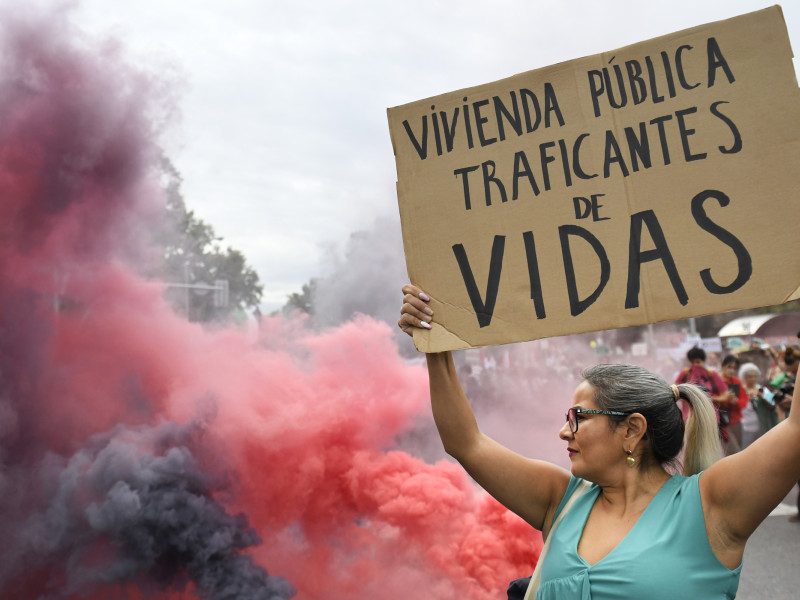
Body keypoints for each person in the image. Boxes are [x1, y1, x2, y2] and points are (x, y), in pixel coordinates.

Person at [399, 284, 800, 599]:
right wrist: (435, 340)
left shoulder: (711, 505)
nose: (563, 432)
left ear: (631, 430)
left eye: (577, 418)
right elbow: (465, 442)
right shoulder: (560, 499)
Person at [719, 355, 749, 454]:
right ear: (722, 366)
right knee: (734, 451)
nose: (732, 371)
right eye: (729, 367)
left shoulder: (736, 382)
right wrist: (723, 398)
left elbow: (744, 401)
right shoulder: (716, 381)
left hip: (736, 421)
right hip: (722, 423)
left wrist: (735, 401)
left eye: (734, 369)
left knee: (737, 450)